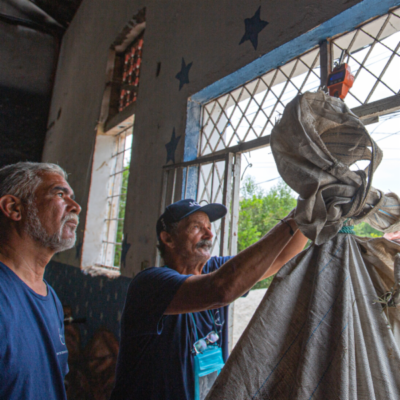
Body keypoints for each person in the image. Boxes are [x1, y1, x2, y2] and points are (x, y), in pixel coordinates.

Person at [111, 198, 308, 400]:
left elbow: (282, 257)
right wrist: (290, 224)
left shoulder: (214, 269)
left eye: (209, 227)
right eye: (197, 227)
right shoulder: (149, 284)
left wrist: (306, 210)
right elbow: (221, 289)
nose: (209, 234)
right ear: (168, 239)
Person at [0, 162, 81, 400]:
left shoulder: (49, 296)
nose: (76, 206)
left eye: (72, 197)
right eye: (59, 194)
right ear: (14, 207)